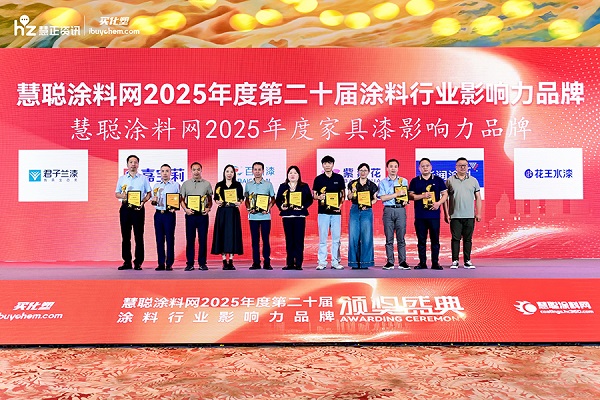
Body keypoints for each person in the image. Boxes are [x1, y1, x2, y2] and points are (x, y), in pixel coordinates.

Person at [408, 158, 448, 270]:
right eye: (423, 166)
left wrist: (438, 203)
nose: (425, 168)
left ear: (431, 167)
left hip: (434, 215)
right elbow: (410, 196)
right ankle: (422, 263)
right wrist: (423, 196)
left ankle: (435, 263)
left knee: (435, 240)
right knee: (421, 241)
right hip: (420, 216)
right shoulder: (415, 181)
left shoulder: (438, 180)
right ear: (419, 168)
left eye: (427, 166)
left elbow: (445, 194)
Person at [115, 155, 151, 271]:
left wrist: (143, 202)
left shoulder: (143, 178)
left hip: (138, 209)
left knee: (139, 236)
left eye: (135, 162)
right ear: (127, 164)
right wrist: (123, 195)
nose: (133, 164)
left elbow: (149, 194)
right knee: (125, 237)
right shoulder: (122, 179)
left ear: (138, 164)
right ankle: (127, 262)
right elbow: (116, 194)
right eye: (131, 162)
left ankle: (138, 262)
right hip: (125, 209)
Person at [444, 157, 482, 269]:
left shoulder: (473, 180)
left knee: (468, 239)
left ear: (468, 167)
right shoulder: (450, 180)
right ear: (456, 167)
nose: (462, 167)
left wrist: (478, 213)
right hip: (455, 215)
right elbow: (445, 198)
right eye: (460, 165)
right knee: (455, 239)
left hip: (469, 215)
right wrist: (446, 213)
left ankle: (467, 261)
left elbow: (478, 197)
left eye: (465, 165)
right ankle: (455, 260)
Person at [275, 166, 314, 270]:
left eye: (295, 173)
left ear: (298, 175)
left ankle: (299, 263)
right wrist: (281, 207)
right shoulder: (283, 186)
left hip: (299, 216)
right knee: (289, 240)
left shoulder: (304, 186)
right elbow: (278, 200)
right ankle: (290, 263)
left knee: (299, 240)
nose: (292, 175)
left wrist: (303, 206)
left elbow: (310, 200)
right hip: (287, 216)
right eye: (290, 173)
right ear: (287, 175)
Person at [313, 155, 346, 270]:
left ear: (333, 164)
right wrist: (319, 197)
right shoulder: (318, 179)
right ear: (322, 165)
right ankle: (322, 262)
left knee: (336, 239)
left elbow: (343, 195)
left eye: (329, 163)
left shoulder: (339, 178)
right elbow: (314, 195)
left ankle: (335, 262)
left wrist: (339, 206)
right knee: (323, 238)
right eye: (325, 163)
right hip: (323, 213)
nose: (327, 165)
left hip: (336, 213)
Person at [378, 158, 410, 271]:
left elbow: (406, 196)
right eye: (391, 166)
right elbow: (383, 198)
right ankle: (390, 262)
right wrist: (396, 194)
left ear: (398, 168)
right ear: (387, 168)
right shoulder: (383, 182)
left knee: (401, 238)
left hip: (400, 210)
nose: (393, 169)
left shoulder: (403, 181)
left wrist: (405, 200)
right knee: (389, 238)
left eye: (395, 166)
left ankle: (403, 262)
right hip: (388, 210)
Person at [180, 162, 213, 271]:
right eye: (194, 169)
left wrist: (208, 208)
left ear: (201, 170)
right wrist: (186, 209)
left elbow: (210, 200)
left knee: (203, 240)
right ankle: (190, 263)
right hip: (190, 215)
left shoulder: (206, 184)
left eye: (198, 169)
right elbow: (181, 199)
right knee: (190, 240)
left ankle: (202, 263)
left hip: (202, 216)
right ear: (191, 171)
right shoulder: (186, 184)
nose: (196, 171)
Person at [211, 164, 244, 270]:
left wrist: (239, 202)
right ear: (224, 173)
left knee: (233, 234)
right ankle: (224, 260)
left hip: (233, 212)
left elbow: (241, 198)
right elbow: (216, 198)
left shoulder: (238, 185)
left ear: (234, 173)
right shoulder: (219, 185)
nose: (229, 174)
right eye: (227, 171)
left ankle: (231, 260)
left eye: (231, 172)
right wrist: (217, 201)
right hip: (223, 212)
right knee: (222, 234)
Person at [244, 162, 276, 270]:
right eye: (255, 169)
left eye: (259, 169)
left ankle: (267, 262)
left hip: (265, 217)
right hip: (253, 217)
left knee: (266, 240)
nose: (257, 172)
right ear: (252, 171)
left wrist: (268, 208)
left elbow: (273, 199)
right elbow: (247, 200)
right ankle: (256, 263)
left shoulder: (268, 184)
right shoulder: (248, 185)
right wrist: (249, 208)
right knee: (255, 240)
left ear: (263, 171)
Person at [347, 163, 378, 269]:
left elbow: (375, 199)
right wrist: (353, 192)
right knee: (353, 235)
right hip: (355, 209)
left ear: (368, 172)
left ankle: (366, 262)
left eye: (365, 170)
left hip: (367, 210)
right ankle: (353, 262)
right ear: (358, 171)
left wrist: (368, 204)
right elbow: (349, 196)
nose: (363, 172)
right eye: (361, 170)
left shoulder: (372, 185)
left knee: (366, 236)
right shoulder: (352, 183)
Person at [150, 164, 180, 271]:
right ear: (160, 173)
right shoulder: (156, 185)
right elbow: (152, 202)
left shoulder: (175, 185)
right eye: (162, 171)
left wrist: (175, 208)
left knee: (170, 239)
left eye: (167, 171)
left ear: (171, 173)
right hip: (158, 214)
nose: (165, 173)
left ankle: (169, 263)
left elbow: (179, 199)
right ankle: (161, 263)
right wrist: (154, 201)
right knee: (159, 239)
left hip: (169, 214)